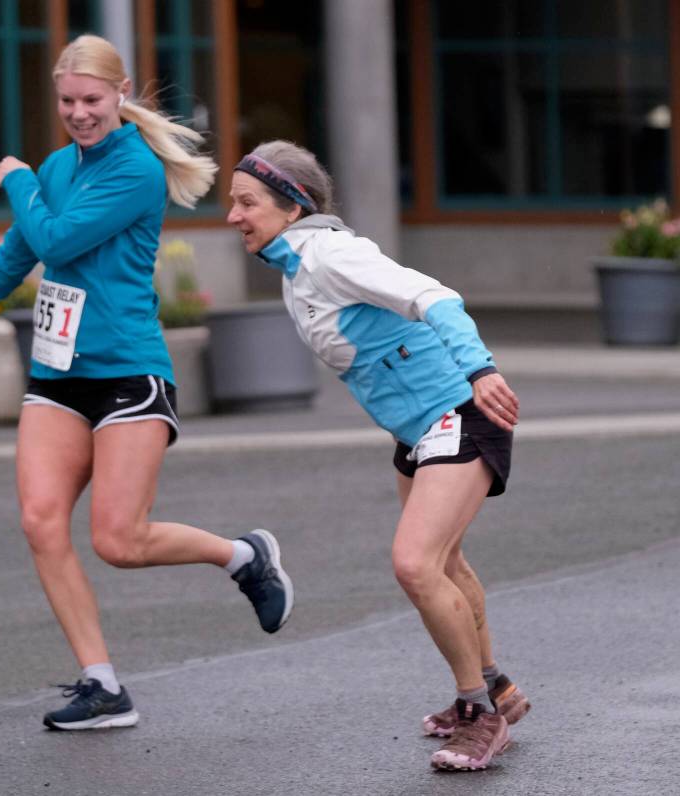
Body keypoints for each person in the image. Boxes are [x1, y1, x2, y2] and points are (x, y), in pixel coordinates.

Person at [0, 35, 293, 731]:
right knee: (41, 522)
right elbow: (13, 262)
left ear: (120, 92)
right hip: (57, 374)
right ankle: (102, 685)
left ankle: (244, 556)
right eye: (67, 101)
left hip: (130, 371)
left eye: (92, 100)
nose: (79, 113)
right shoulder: (58, 169)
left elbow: (59, 241)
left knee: (119, 542)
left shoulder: (136, 170)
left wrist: (17, 181)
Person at [226, 141, 530, 772]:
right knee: (444, 563)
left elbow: (435, 296)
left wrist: (479, 368)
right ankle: (494, 686)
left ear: (293, 206)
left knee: (415, 565)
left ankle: (481, 715)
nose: (233, 216)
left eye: (246, 202)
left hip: (459, 413)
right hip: (417, 430)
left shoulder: (332, 253)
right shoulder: (296, 268)